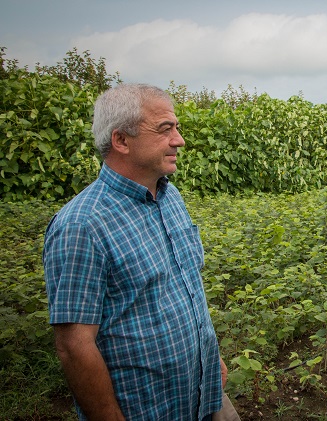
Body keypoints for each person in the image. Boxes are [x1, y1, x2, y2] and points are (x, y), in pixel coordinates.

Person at [43, 83, 239, 420]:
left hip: (203, 393)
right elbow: (75, 346)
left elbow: (187, 285)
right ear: (121, 140)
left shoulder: (170, 197)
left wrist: (211, 355)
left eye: (176, 128)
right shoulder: (82, 225)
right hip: (147, 409)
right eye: (165, 129)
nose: (179, 140)